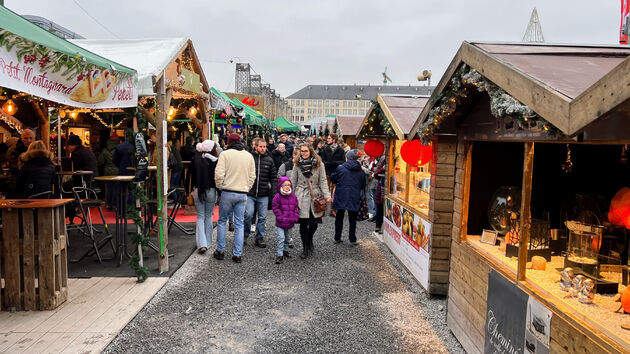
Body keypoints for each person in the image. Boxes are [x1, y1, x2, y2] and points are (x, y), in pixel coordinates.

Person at [214, 133, 255, 263]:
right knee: (239, 224)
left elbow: (219, 174)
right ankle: (237, 254)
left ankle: (220, 250)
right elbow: (252, 176)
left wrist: (221, 187)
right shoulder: (248, 156)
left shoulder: (225, 155)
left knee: (222, 221)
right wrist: (246, 188)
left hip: (227, 191)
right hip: (242, 192)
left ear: (229, 142)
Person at [291, 143, 331, 259]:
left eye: (306, 151)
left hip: (315, 196)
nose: (303, 153)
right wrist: (290, 196)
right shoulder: (297, 164)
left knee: (314, 223)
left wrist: (327, 195)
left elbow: (323, 181)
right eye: (302, 151)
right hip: (301, 196)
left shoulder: (319, 164)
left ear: (311, 152)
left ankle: (310, 239)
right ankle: (305, 248)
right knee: (303, 223)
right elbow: (293, 181)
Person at [245, 138, 277, 248]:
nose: (263, 149)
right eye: (261, 146)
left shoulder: (269, 160)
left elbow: (273, 177)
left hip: (263, 193)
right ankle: (245, 234)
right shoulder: (249, 158)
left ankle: (259, 237)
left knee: (262, 217)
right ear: (256, 147)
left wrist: (273, 193)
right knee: (248, 214)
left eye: (264, 147)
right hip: (250, 192)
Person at [331, 149, 366, 245]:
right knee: (352, 218)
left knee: (339, 216)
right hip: (354, 195)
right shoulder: (360, 170)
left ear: (347, 158)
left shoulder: (340, 168)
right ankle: (352, 239)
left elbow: (333, 179)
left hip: (341, 194)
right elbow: (363, 185)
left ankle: (337, 237)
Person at [193, 139, 218, 254]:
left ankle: (201, 243)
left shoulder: (196, 159)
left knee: (200, 216)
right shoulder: (215, 161)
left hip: (197, 190)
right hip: (211, 190)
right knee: (208, 216)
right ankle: (208, 242)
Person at [272, 177, 299, 264]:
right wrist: (280, 216)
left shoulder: (293, 197)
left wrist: (295, 217)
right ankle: (280, 254)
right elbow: (275, 208)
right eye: (285, 185)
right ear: (281, 186)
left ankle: (285, 250)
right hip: (281, 222)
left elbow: (296, 208)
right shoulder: (277, 197)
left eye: (288, 185)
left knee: (287, 238)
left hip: (290, 222)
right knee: (281, 238)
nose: (287, 187)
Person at [98, 134, 120, 208]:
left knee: (109, 188)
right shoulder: (118, 148)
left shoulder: (104, 150)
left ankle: (109, 204)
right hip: (117, 170)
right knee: (116, 188)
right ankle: (115, 204)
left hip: (107, 171)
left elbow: (100, 161)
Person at [372, 154, 387, 233]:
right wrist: (382, 169)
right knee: (380, 208)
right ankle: (378, 226)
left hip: (390, 188)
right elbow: (376, 174)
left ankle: (385, 228)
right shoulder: (383, 161)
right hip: (381, 188)